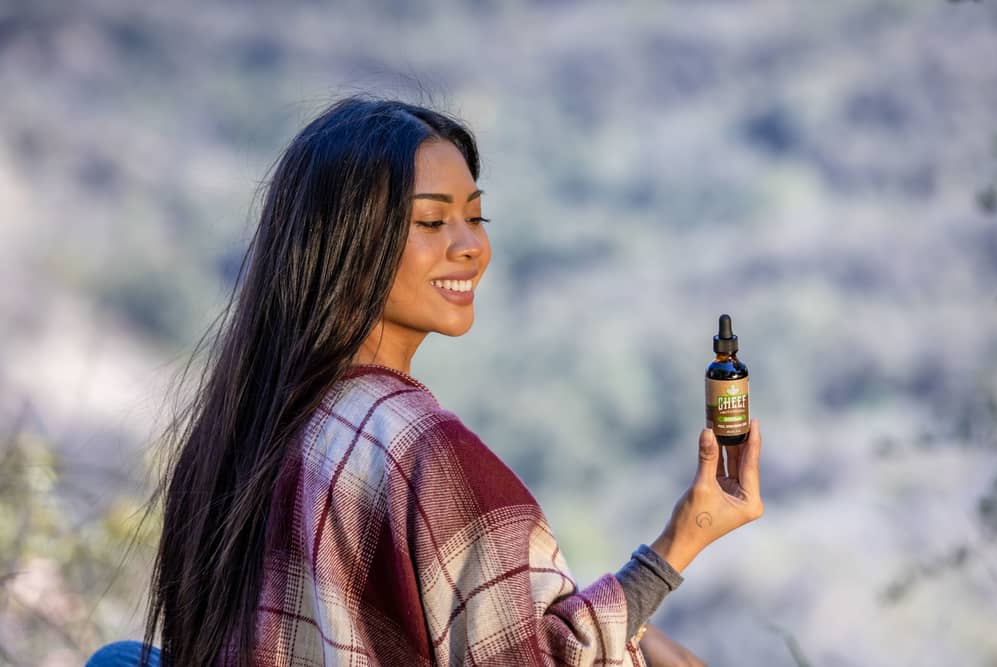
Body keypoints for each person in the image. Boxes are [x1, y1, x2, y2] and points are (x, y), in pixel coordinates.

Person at [86, 96, 763, 667]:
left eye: (476, 215)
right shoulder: (424, 453)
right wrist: (682, 540)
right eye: (434, 221)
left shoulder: (249, 418)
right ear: (351, 241)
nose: (469, 245)